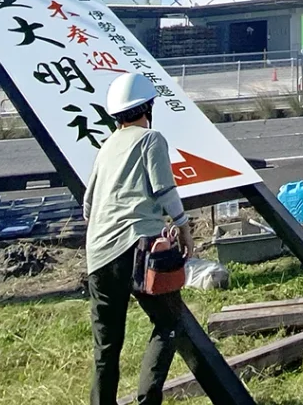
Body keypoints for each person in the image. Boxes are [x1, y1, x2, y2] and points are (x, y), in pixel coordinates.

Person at [83, 72, 195, 405]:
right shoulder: (150, 139)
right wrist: (183, 227)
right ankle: (148, 400)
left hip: (98, 254)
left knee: (107, 346)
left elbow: (88, 205)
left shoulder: (105, 147)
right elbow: (164, 189)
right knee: (168, 321)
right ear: (147, 107)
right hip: (137, 248)